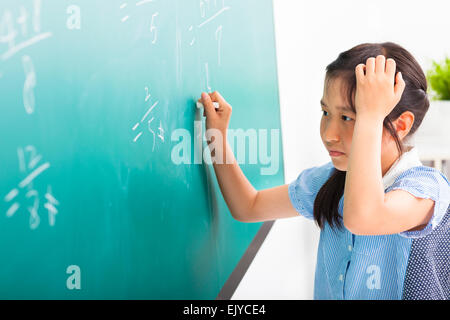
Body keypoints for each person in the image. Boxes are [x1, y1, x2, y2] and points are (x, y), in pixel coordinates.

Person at [198, 42, 450, 300]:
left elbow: (364, 218)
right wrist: (216, 137)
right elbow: (248, 206)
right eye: (326, 112)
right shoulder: (330, 181)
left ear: (401, 125)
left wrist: (370, 116)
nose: (329, 134)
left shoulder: (426, 190)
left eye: (348, 118)